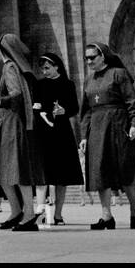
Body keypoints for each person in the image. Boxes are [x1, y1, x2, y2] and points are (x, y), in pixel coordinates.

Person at [79, 43, 135, 230]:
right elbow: (86, 110)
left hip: (118, 125)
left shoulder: (118, 74)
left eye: (92, 57)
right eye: (86, 58)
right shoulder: (88, 80)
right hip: (96, 128)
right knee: (99, 172)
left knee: (125, 169)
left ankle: (134, 210)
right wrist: (84, 136)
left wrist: (134, 125)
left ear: (102, 56)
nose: (89, 61)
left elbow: (132, 102)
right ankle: (106, 216)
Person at [0, 35, 44, 231]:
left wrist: (1, 102)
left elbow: (16, 95)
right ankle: (17, 211)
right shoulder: (19, 66)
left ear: (2, 50)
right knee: (5, 171)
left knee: (17, 170)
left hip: (11, 124)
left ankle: (27, 214)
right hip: (9, 122)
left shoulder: (9, 66)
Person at [34, 52, 84, 225]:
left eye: (47, 68)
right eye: (43, 69)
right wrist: (38, 109)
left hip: (62, 132)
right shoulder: (39, 85)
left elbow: (75, 108)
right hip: (44, 132)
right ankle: (40, 211)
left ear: (57, 66)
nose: (45, 71)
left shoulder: (68, 84)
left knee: (62, 176)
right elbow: (35, 105)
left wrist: (64, 111)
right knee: (42, 175)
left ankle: (58, 214)